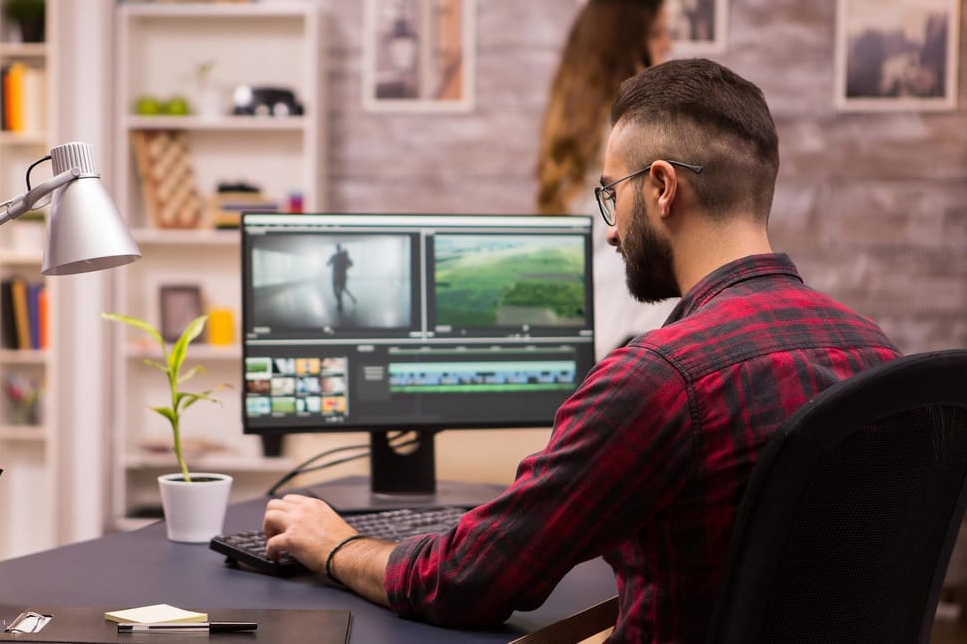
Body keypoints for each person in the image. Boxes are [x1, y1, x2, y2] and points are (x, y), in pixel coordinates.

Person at [262, 59, 901, 641]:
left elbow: (469, 579)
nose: (613, 231)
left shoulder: (659, 381)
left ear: (662, 187)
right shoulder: (875, 354)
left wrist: (336, 546)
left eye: (611, 194)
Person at [536, 0, 675, 356]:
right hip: (630, 329)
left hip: (590, 326)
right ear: (626, 45)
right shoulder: (633, 131)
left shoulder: (574, 129)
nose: (668, 45)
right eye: (657, 33)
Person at [327, 243, 354, 311]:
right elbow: (351, 263)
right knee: (342, 289)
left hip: (336, 275)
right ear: (340, 248)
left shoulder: (334, 256)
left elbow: (328, 264)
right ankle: (343, 301)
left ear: (336, 248)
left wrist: (331, 262)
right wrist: (346, 268)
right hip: (342, 275)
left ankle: (340, 303)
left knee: (337, 290)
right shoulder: (343, 256)